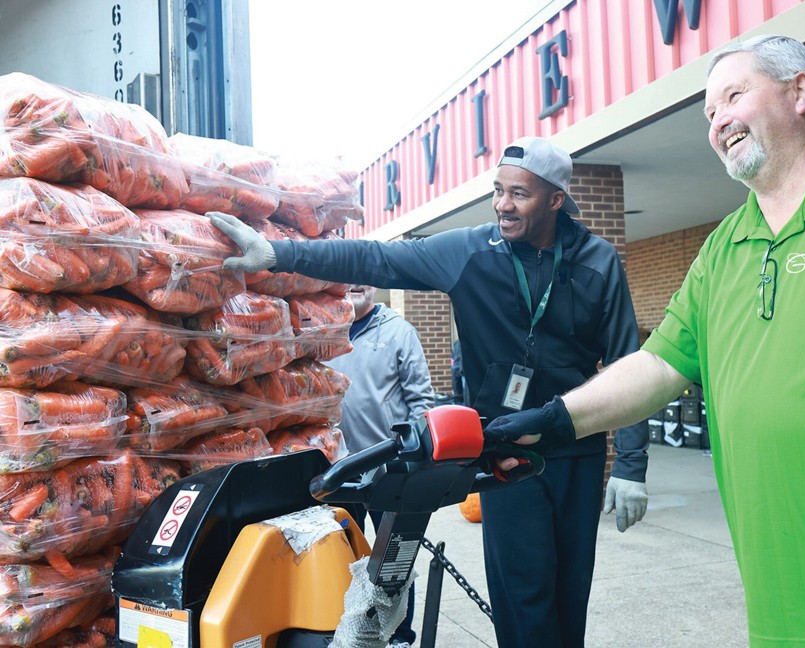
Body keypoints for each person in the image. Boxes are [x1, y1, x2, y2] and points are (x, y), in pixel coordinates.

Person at [484, 35, 805, 646]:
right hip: (783, 608)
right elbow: (658, 366)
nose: (717, 123)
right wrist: (548, 420)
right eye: (709, 114)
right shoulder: (724, 245)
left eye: (733, 97)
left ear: (799, 92)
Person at [207, 136, 649, 648]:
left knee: (571, 597)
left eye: (520, 195)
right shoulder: (469, 252)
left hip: (577, 448)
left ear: (555, 200)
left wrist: (632, 465)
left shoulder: (599, 262)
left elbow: (627, 365)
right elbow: (375, 259)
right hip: (506, 455)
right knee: (523, 603)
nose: (503, 205)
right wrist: (279, 253)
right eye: (498, 191)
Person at [327, 283, 434, 648]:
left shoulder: (398, 331)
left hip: (389, 472)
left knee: (393, 564)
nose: (356, 284)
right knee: (340, 557)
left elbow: (421, 401)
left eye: (364, 276)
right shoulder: (323, 328)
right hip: (334, 470)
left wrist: (417, 461)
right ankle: (346, 634)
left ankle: (399, 638)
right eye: (348, 277)